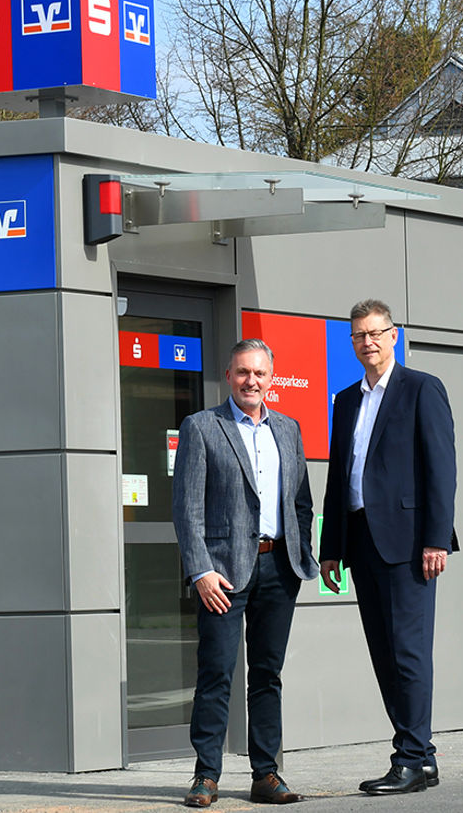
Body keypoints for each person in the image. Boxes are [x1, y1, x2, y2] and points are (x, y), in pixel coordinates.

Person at [319, 299, 457, 796]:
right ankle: (421, 753)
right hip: (360, 542)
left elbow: (442, 470)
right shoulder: (345, 400)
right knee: (383, 654)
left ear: (393, 335)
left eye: (375, 333)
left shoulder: (421, 389)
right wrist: (330, 546)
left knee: (408, 654)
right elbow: (339, 478)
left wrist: (436, 539)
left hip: (409, 544)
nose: (367, 342)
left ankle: (411, 760)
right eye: (358, 335)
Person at [172, 338, 318, 807]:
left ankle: (266, 774)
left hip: (279, 567)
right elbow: (186, 508)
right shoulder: (201, 427)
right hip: (223, 574)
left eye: (258, 373)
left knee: (267, 675)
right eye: (241, 373)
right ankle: (206, 775)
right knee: (216, 672)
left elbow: (301, 502)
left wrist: (303, 555)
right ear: (228, 376)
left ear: (270, 377)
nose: (250, 381)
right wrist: (200, 570)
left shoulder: (290, 430)